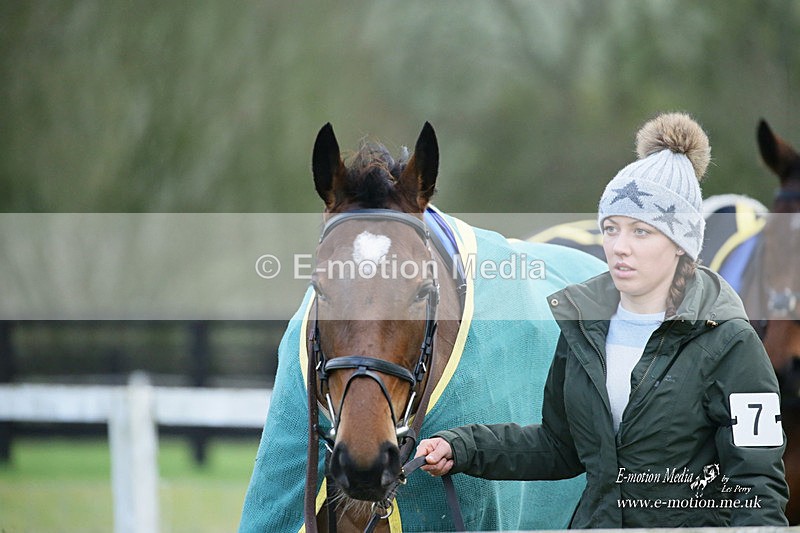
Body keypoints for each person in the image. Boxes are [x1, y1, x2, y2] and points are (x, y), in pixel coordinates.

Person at [415, 112, 789, 527]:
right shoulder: (584, 326)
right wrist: (462, 447)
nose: (619, 247)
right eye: (611, 228)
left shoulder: (731, 342)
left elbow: (758, 486)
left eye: (641, 232)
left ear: (681, 243)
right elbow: (559, 447)